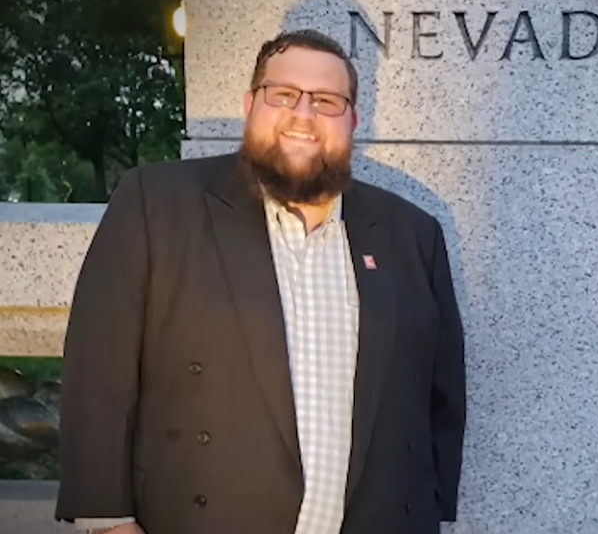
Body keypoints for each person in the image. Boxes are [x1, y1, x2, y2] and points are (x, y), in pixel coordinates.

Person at [55, 29, 465, 534]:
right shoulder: (157, 202)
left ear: (353, 120)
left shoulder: (412, 232)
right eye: (284, 95)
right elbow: (99, 369)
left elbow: (440, 395)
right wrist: (106, 522)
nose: (304, 115)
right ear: (251, 104)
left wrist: (428, 511)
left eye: (327, 101)